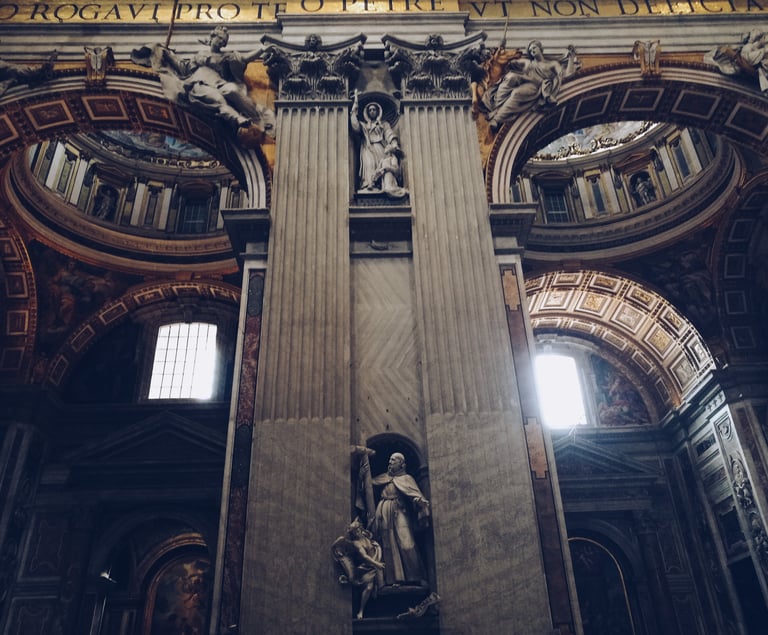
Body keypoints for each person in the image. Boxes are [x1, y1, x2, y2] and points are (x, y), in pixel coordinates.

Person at [132, 26, 274, 134]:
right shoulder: (200, 55)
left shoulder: (227, 56)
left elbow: (244, 58)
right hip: (200, 82)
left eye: (223, 41)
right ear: (212, 37)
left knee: (233, 90)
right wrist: (167, 54)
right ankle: (237, 118)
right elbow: (183, 67)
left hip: (219, 82)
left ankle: (257, 118)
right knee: (217, 99)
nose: (221, 42)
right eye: (220, 38)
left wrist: (261, 50)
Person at [483, 40, 579, 132]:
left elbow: (567, 75)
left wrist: (571, 58)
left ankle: (497, 118)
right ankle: (497, 104)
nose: (532, 51)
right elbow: (509, 62)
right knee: (511, 77)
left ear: (541, 49)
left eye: (534, 48)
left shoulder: (552, 64)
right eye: (530, 50)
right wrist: (500, 51)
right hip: (526, 80)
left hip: (536, 87)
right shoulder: (528, 62)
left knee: (517, 93)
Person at [371, 453, 429, 587]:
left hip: (399, 510)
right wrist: (364, 473)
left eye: (393, 460)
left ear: (401, 464)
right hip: (383, 511)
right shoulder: (383, 477)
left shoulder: (407, 479)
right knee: (387, 545)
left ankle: (417, 576)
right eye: (389, 459)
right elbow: (368, 485)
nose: (390, 462)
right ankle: (392, 579)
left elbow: (416, 495)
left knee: (407, 543)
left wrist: (418, 501)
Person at [350, 92, 407, 198]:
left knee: (383, 165)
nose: (372, 111)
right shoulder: (365, 125)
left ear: (378, 111)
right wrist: (354, 109)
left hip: (381, 148)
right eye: (370, 110)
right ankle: (369, 185)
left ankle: (383, 185)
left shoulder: (384, 124)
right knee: (370, 165)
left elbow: (389, 134)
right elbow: (355, 127)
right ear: (367, 112)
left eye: (374, 109)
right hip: (368, 148)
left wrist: (394, 144)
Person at [332, 519, 385, 619]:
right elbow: (365, 557)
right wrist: (376, 564)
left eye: (357, 530)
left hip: (376, 557)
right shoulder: (356, 543)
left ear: (360, 529)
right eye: (354, 532)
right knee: (368, 588)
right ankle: (361, 611)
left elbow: (369, 534)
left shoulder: (364, 534)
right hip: (368, 566)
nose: (357, 533)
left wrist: (371, 522)